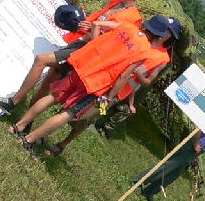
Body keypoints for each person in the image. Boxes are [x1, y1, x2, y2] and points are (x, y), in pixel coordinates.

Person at [9, 16, 169, 149]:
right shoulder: (145, 51)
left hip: (83, 66)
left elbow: (97, 24)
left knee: (52, 97)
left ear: (146, 25)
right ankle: (28, 140)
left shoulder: (127, 26)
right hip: (97, 83)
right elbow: (124, 76)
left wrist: (93, 45)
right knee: (68, 114)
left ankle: (18, 126)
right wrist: (108, 98)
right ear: (158, 35)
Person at [0, 0, 145, 113]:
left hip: (88, 51)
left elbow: (113, 43)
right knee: (50, 78)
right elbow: (100, 21)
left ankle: (13, 102)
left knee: (41, 60)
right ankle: (26, 120)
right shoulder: (116, 2)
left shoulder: (133, 18)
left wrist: (93, 29)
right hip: (82, 43)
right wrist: (86, 21)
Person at [43, 16, 182, 156]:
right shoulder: (140, 36)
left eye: (169, 31)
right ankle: (44, 131)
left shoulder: (164, 58)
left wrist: (138, 75)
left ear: (170, 36)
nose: (165, 32)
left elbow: (147, 83)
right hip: (102, 78)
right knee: (69, 101)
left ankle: (63, 144)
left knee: (90, 117)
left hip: (115, 94)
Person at [133, 131, 205, 201]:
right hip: (194, 145)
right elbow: (197, 128)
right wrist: (195, 144)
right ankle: (138, 182)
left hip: (197, 150)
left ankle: (149, 192)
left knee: (174, 174)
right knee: (168, 167)